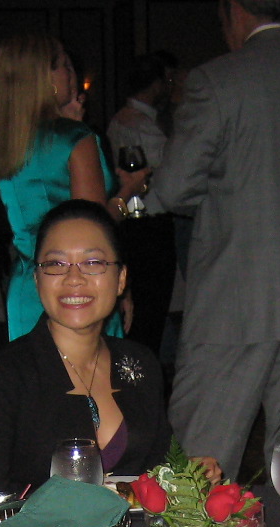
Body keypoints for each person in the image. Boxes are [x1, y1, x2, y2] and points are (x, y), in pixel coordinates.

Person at [144, 0, 280, 480]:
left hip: (234, 303)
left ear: (234, 10)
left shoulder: (217, 81)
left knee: (198, 466)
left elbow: (173, 188)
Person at [0, 200, 217, 494]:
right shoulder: (3, 376)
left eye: (93, 263)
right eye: (56, 264)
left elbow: (159, 470)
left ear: (120, 280)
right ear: (37, 280)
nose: (74, 279)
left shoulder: (140, 362)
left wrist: (187, 477)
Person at [0, 32, 147, 339]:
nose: (72, 74)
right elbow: (94, 227)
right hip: (78, 285)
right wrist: (128, 193)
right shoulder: (74, 138)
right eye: (65, 65)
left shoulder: (11, 140)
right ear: (42, 78)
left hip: (29, 283)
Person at [106, 52, 179, 364]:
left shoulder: (118, 120)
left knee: (141, 317)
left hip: (130, 224)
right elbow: (173, 175)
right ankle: (141, 378)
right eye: (167, 80)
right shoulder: (143, 125)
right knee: (149, 317)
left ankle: (136, 375)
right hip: (149, 224)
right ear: (156, 83)